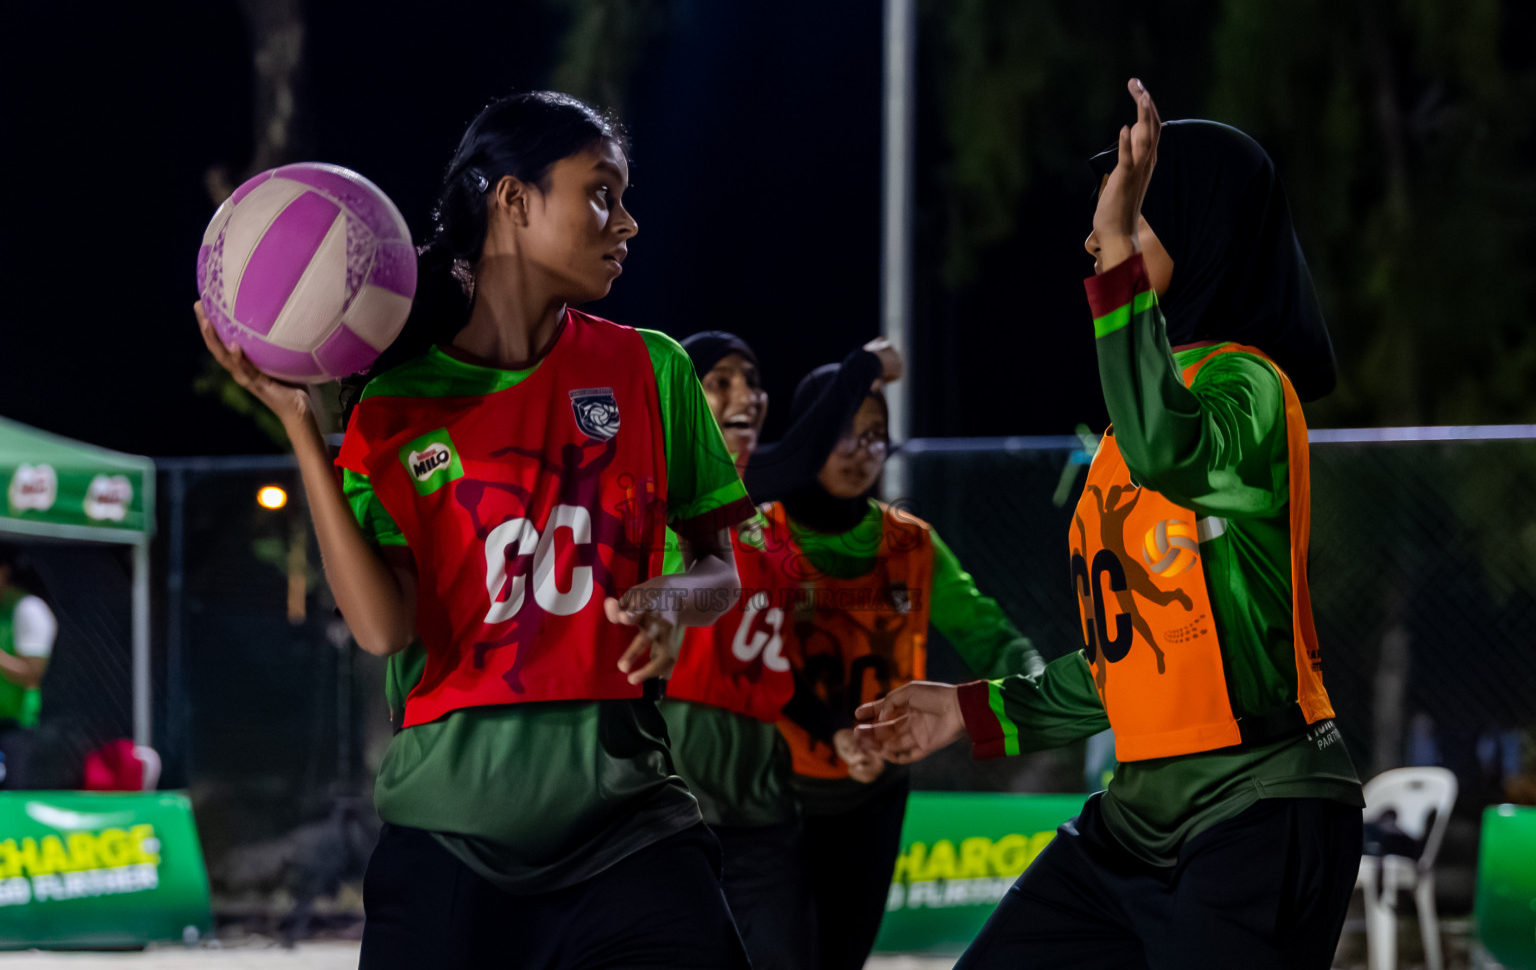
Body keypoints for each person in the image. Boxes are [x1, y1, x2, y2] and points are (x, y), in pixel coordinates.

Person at [196, 91, 755, 969]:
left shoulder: (651, 368)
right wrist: (304, 430)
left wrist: (674, 594)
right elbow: (384, 629)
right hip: (449, 839)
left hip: (630, 827)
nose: (628, 222)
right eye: (602, 193)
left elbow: (724, 566)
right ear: (514, 200)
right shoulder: (398, 406)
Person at [856, 80, 1365, 970]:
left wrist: (1122, 256)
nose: (1096, 236)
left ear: (1201, 231)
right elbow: (1134, 662)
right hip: (1133, 827)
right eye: (1105, 218)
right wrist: (969, 712)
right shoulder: (1128, 432)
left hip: (1257, 812)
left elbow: (1175, 452)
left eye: (1128, 214)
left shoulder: (1248, 386)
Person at [764, 366, 1042, 970]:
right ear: (807, 435)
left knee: (844, 955)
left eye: (875, 435)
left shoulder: (909, 542)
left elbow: (986, 630)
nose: (861, 451)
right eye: (843, 432)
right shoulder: (759, 536)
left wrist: (1033, 681)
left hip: (876, 794)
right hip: (773, 794)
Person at [661, 330, 902, 970]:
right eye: (721, 381)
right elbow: (798, 456)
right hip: (676, 811)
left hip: (763, 810)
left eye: (752, 379)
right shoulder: (670, 495)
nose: (748, 394)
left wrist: (832, 731)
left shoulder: (765, 528)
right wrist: (865, 365)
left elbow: (770, 663)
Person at [0, 543, 57, 790]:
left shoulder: (29, 610)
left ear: (3, 572)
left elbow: (32, 673)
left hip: (14, 727)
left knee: (10, 802)